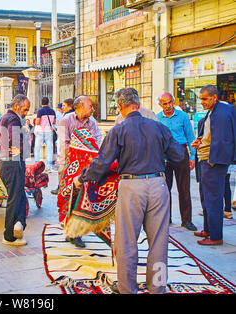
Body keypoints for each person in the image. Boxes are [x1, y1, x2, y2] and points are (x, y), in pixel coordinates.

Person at [73, 87, 184, 294]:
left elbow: (102, 163)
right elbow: (178, 156)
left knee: (126, 241)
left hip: (131, 187)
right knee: (159, 242)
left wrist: (82, 178)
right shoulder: (158, 128)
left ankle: (127, 289)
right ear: (139, 105)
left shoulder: (118, 130)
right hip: (159, 185)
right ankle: (157, 288)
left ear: (121, 107)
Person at [191, 85, 236, 246]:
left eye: (205, 99)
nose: (201, 102)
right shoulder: (212, 112)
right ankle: (208, 230)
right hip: (206, 160)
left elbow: (225, 139)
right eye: (200, 98)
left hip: (213, 162)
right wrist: (199, 140)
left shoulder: (223, 112)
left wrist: (213, 159)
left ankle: (216, 236)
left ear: (214, 97)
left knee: (214, 199)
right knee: (206, 198)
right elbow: (210, 135)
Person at [55, 95, 102, 248]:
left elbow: (96, 142)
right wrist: (79, 152)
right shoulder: (65, 121)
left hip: (86, 169)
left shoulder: (92, 122)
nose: (93, 109)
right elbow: (64, 144)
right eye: (90, 106)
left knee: (82, 199)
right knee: (68, 198)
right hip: (68, 166)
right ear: (80, 105)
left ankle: (77, 233)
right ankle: (70, 230)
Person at [156, 92, 197, 231]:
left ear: (173, 101)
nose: (168, 106)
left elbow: (191, 137)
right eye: (164, 104)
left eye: (170, 102)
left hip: (181, 152)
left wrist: (192, 157)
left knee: (184, 188)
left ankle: (187, 220)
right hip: (165, 154)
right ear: (160, 105)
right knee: (165, 189)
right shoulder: (157, 119)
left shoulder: (183, 116)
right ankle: (166, 218)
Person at [0, 95, 31, 247]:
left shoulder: (4, 117)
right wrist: (22, 148)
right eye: (25, 109)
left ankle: (19, 224)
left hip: (6, 163)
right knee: (15, 199)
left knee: (20, 197)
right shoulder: (14, 119)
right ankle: (9, 235)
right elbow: (12, 138)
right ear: (16, 106)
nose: (26, 112)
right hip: (12, 164)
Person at [34, 97, 56, 172]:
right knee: (49, 149)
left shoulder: (40, 111)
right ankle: (49, 167)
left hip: (40, 131)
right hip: (49, 132)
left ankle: (37, 166)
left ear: (41, 103)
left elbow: (37, 122)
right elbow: (54, 122)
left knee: (37, 149)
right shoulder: (52, 111)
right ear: (48, 103)